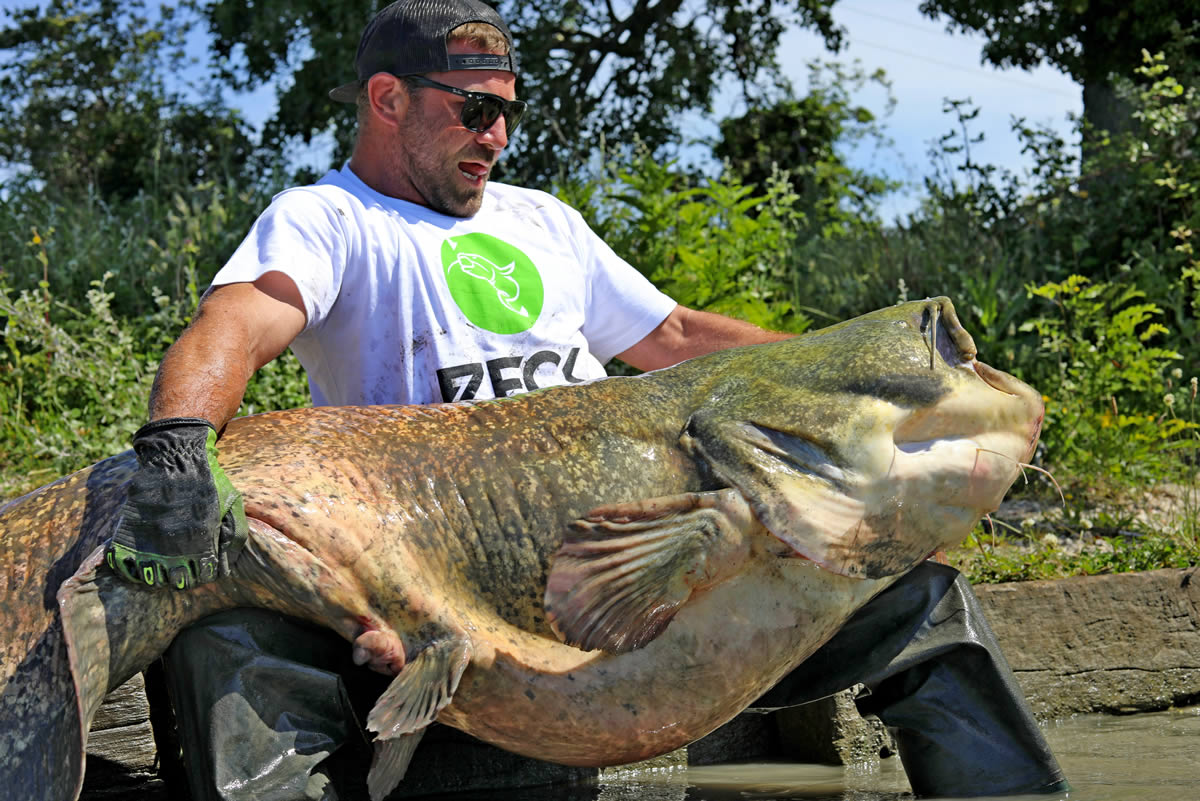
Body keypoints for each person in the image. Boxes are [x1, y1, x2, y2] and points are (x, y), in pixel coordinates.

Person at [104, 0, 1070, 798]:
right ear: (388, 99)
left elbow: (678, 341)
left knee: (920, 601)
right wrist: (178, 446)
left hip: (634, 562)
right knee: (223, 639)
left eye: (509, 112)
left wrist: (870, 381)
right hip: (434, 571)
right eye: (474, 109)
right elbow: (236, 322)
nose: (498, 135)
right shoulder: (328, 220)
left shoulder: (544, 222)